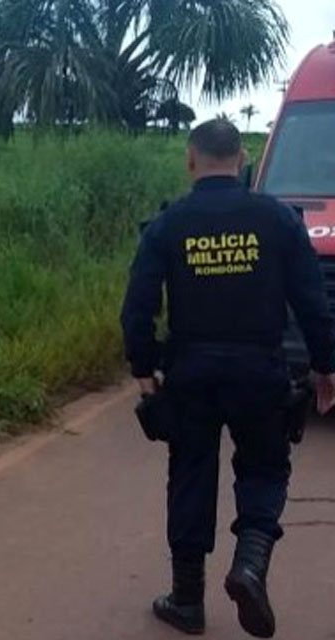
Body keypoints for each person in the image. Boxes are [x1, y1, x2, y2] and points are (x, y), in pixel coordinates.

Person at [120, 119, 335, 638]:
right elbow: (311, 301)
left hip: (190, 373)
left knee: (190, 474)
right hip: (260, 371)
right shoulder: (278, 219)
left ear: (191, 161)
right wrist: (326, 367)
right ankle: (251, 565)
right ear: (242, 160)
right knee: (263, 469)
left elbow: (137, 309)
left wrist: (145, 373)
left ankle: (187, 601)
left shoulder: (169, 225)